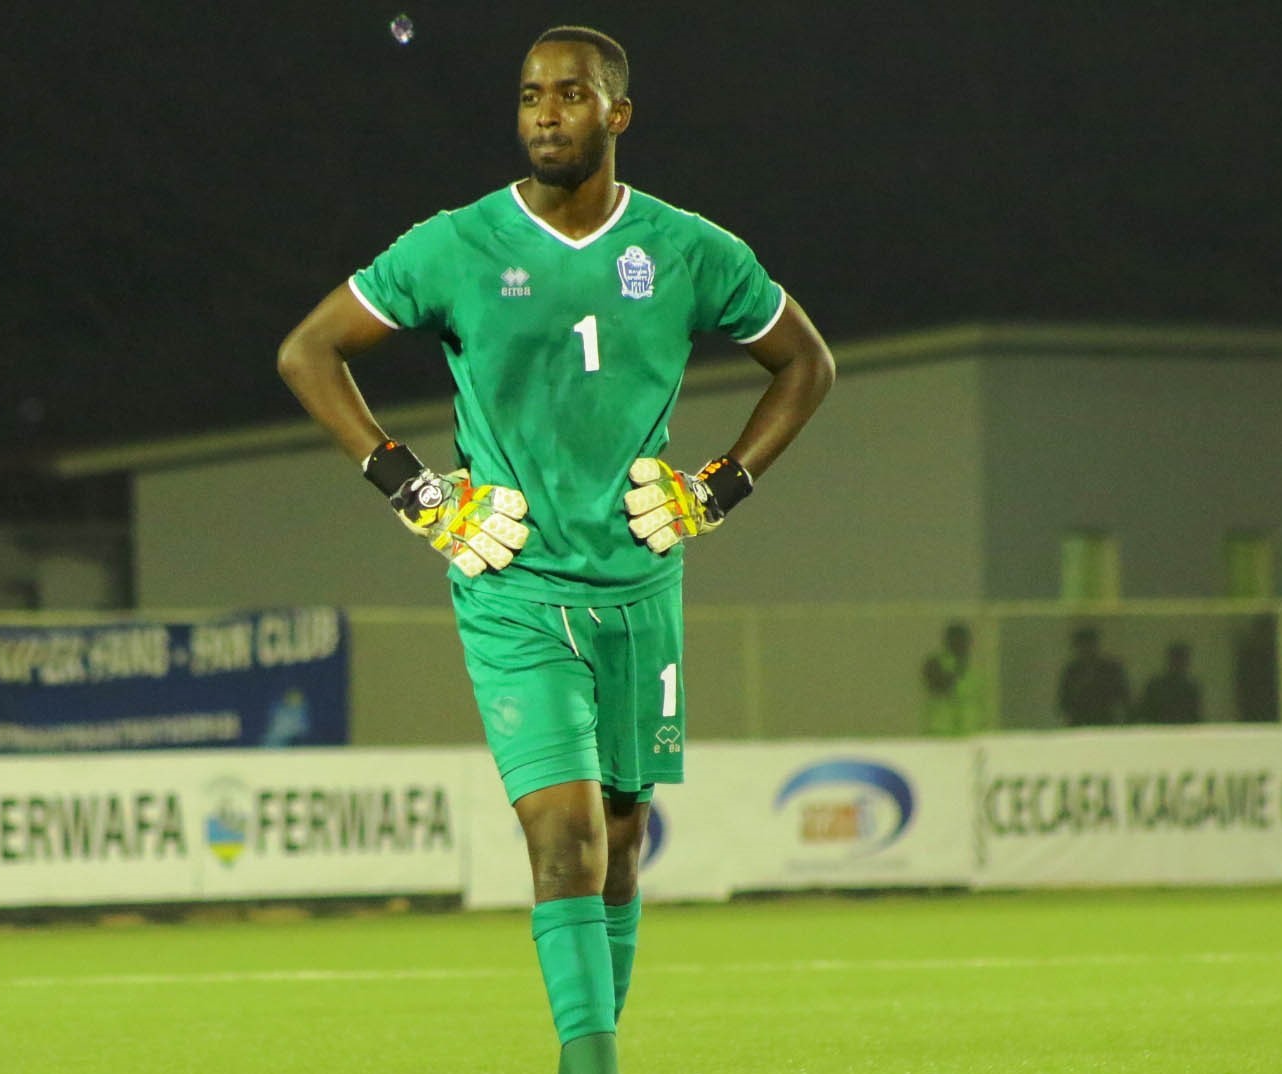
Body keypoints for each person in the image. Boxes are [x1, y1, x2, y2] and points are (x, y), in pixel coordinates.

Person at [277, 26, 834, 1074]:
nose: (544, 113)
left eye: (570, 96)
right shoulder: (454, 244)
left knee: (621, 844)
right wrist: (412, 487)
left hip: (638, 585)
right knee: (565, 835)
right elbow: (307, 353)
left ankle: (598, 1043)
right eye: (531, 95)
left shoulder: (686, 249)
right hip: (511, 585)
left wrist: (717, 489)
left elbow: (805, 363)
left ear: (616, 117)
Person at [921, 621, 989, 735]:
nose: (960, 643)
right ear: (947, 641)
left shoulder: (976, 670)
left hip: (970, 733)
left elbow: (980, 702)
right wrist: (958, 667)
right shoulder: (934, 664)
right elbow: (940, 687)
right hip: (939, 733)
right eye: (955, 639)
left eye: (963, 640)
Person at [1057, 626, 1131, 726]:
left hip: (1105, 723)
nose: (1085, 650)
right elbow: (1063, 703)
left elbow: (1123, 697)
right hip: (1079, 723)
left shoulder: (1110, 669)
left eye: (1088, 645)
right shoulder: (1072, 672)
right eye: (1081, 646)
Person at [1137, 641, 1202, 724]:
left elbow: (1195, 717)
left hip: (1183, 733)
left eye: (1183, 660)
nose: (1180, 664)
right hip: (1159, 732)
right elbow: (1144, 713)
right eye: (1178, 659)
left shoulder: (1192, 689)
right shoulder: (1155, 686)